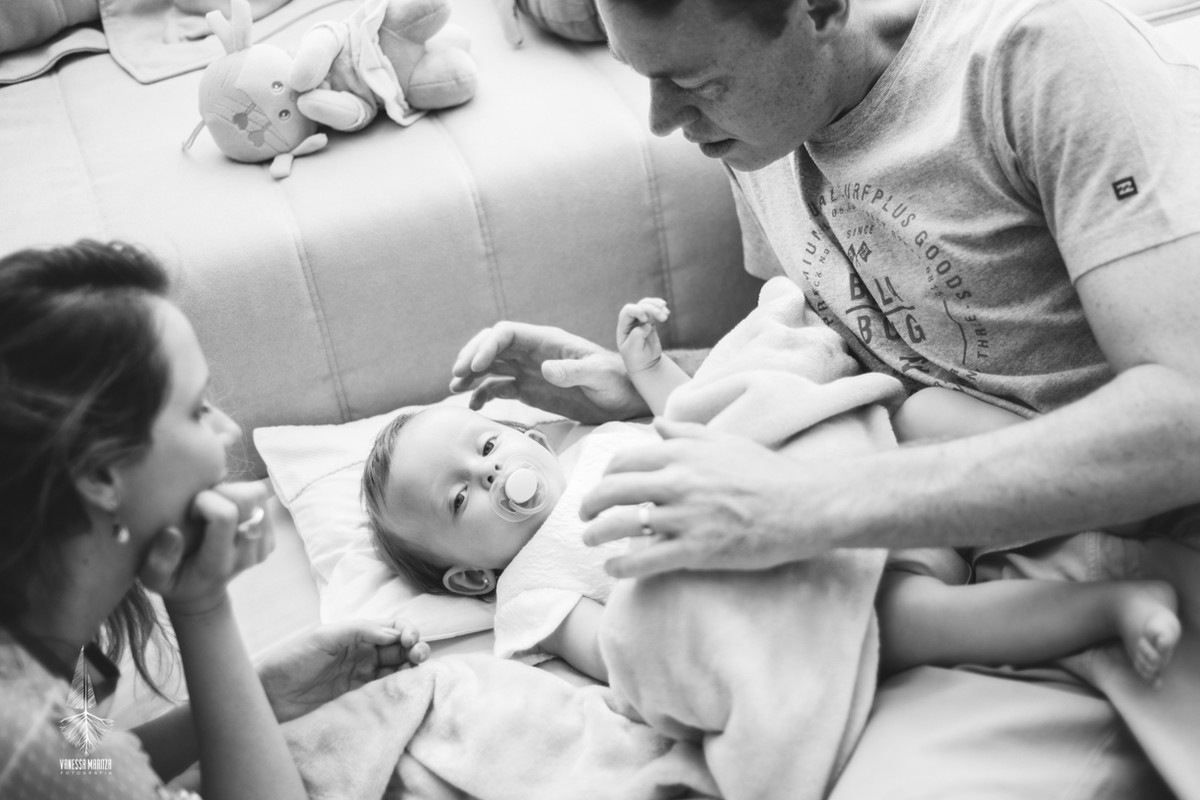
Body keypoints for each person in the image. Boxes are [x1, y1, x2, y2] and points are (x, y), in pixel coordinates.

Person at [448, 0, 1200, 795]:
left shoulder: (1042, 54)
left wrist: (805, 502)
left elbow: (1185, 419)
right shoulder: (760, 129)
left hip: (1132, 538)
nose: (663, 120)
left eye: (694, 82)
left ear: (821, 9)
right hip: (941, 559)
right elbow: (853, 334)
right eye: (644, 76)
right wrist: (642, 380)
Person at [0, 240, 430, 800]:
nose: (228, 430)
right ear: (100, 473)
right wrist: (204, 606)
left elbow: (88, 757)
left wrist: (261, 696)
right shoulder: (23, 735)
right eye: (197, 408)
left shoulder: (55, 645)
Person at [620, 295, 1183, 685]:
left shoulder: (594, 434)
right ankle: (1108, 608)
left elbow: (698, 412)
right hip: (841, 565)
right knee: (892, 626)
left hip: (874, 449)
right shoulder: (565, 581)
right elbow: (628, 644)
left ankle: (1109, 489)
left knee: (926, 411)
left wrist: (647, 368)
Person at [360, 403, 655, 683]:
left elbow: (680, 420)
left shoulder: (599, 446)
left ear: (537, 442)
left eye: (488, 447)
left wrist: (649, 373)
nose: (489, 470)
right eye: (459, 498)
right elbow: (622, 656)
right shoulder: (531, 594)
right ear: (471, 576)